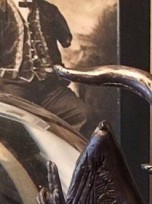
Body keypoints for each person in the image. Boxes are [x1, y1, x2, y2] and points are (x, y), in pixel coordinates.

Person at [0, 0, 87, 130]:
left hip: (50, 88)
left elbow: (68, 42)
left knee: (82, 114)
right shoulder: (2, 10)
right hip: (13, 86)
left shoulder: (49, 10)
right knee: (19, 124)